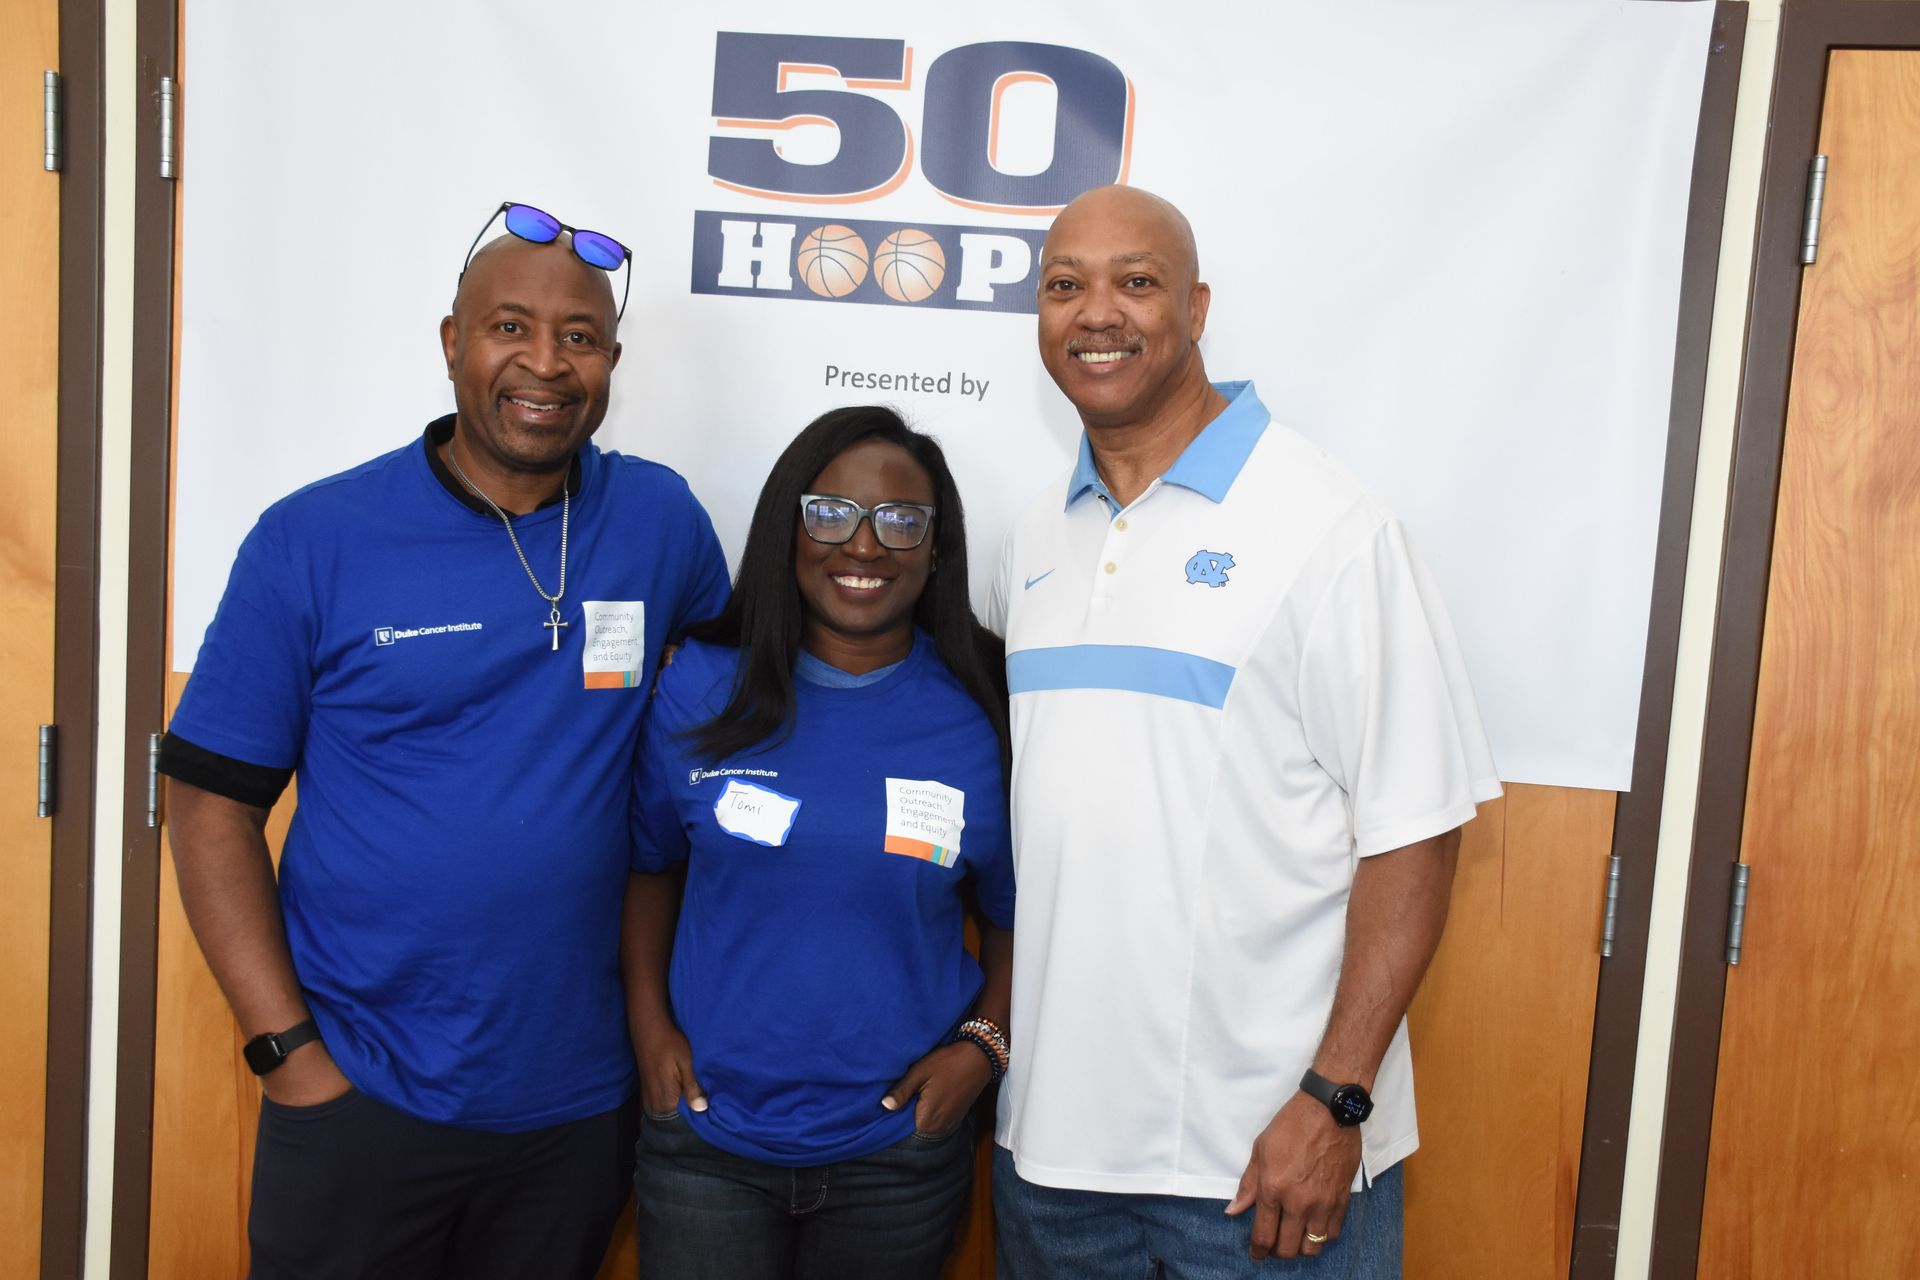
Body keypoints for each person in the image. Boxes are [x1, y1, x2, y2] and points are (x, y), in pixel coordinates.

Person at [158, 201, 729, 1279]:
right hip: (361, 1093)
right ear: (452, 342)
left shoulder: (663, 525)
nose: (546, 363)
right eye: (511, 326)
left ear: (611, 360)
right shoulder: (315, 538)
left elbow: (722, 730)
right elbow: (209, 805)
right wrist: (289, 1055)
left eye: (579, 337)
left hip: (576, 1104)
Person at [986, 184, 1502, 1277]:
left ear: (1199, 306)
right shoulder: (1033, 535)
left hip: (1267, 1165)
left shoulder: (1330, 525)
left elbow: (1415, 832)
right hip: (1053, 1163)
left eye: (1137, 281)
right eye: (1064, 285)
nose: (1097, 313)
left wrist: (1336, 1096)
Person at [624, 405, 1015, 1280]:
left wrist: (982, 1049)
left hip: (898, 1157)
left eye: (901, 521)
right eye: (831, 514)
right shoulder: (698, 689)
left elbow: (1018, 915)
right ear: (787, 529)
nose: (864, 546)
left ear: (937, 547)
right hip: (706, 1144)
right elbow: (648, 871)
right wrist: (648, 1028)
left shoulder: (985, 711)